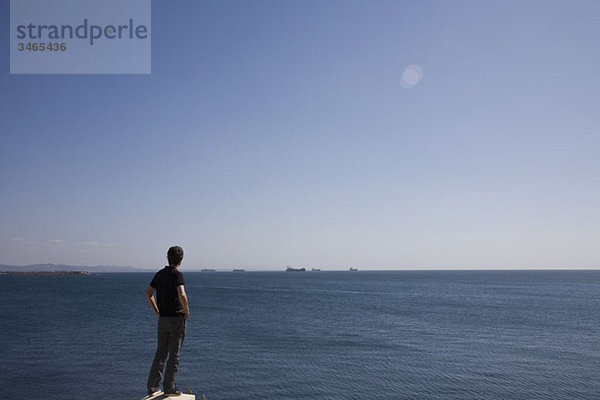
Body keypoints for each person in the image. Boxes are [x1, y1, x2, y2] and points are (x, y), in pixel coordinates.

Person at [145, 246, 190, 397]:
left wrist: (156, 310)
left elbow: (148, 293)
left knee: (161, 353)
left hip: (162, 319)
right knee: (174, 354)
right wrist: (186, 310)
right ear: (181, 260)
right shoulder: (178, 275)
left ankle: (153, 386)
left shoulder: (159, 275)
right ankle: (169, 387)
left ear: (167, 257)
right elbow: (182, 294)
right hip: (176, 319)